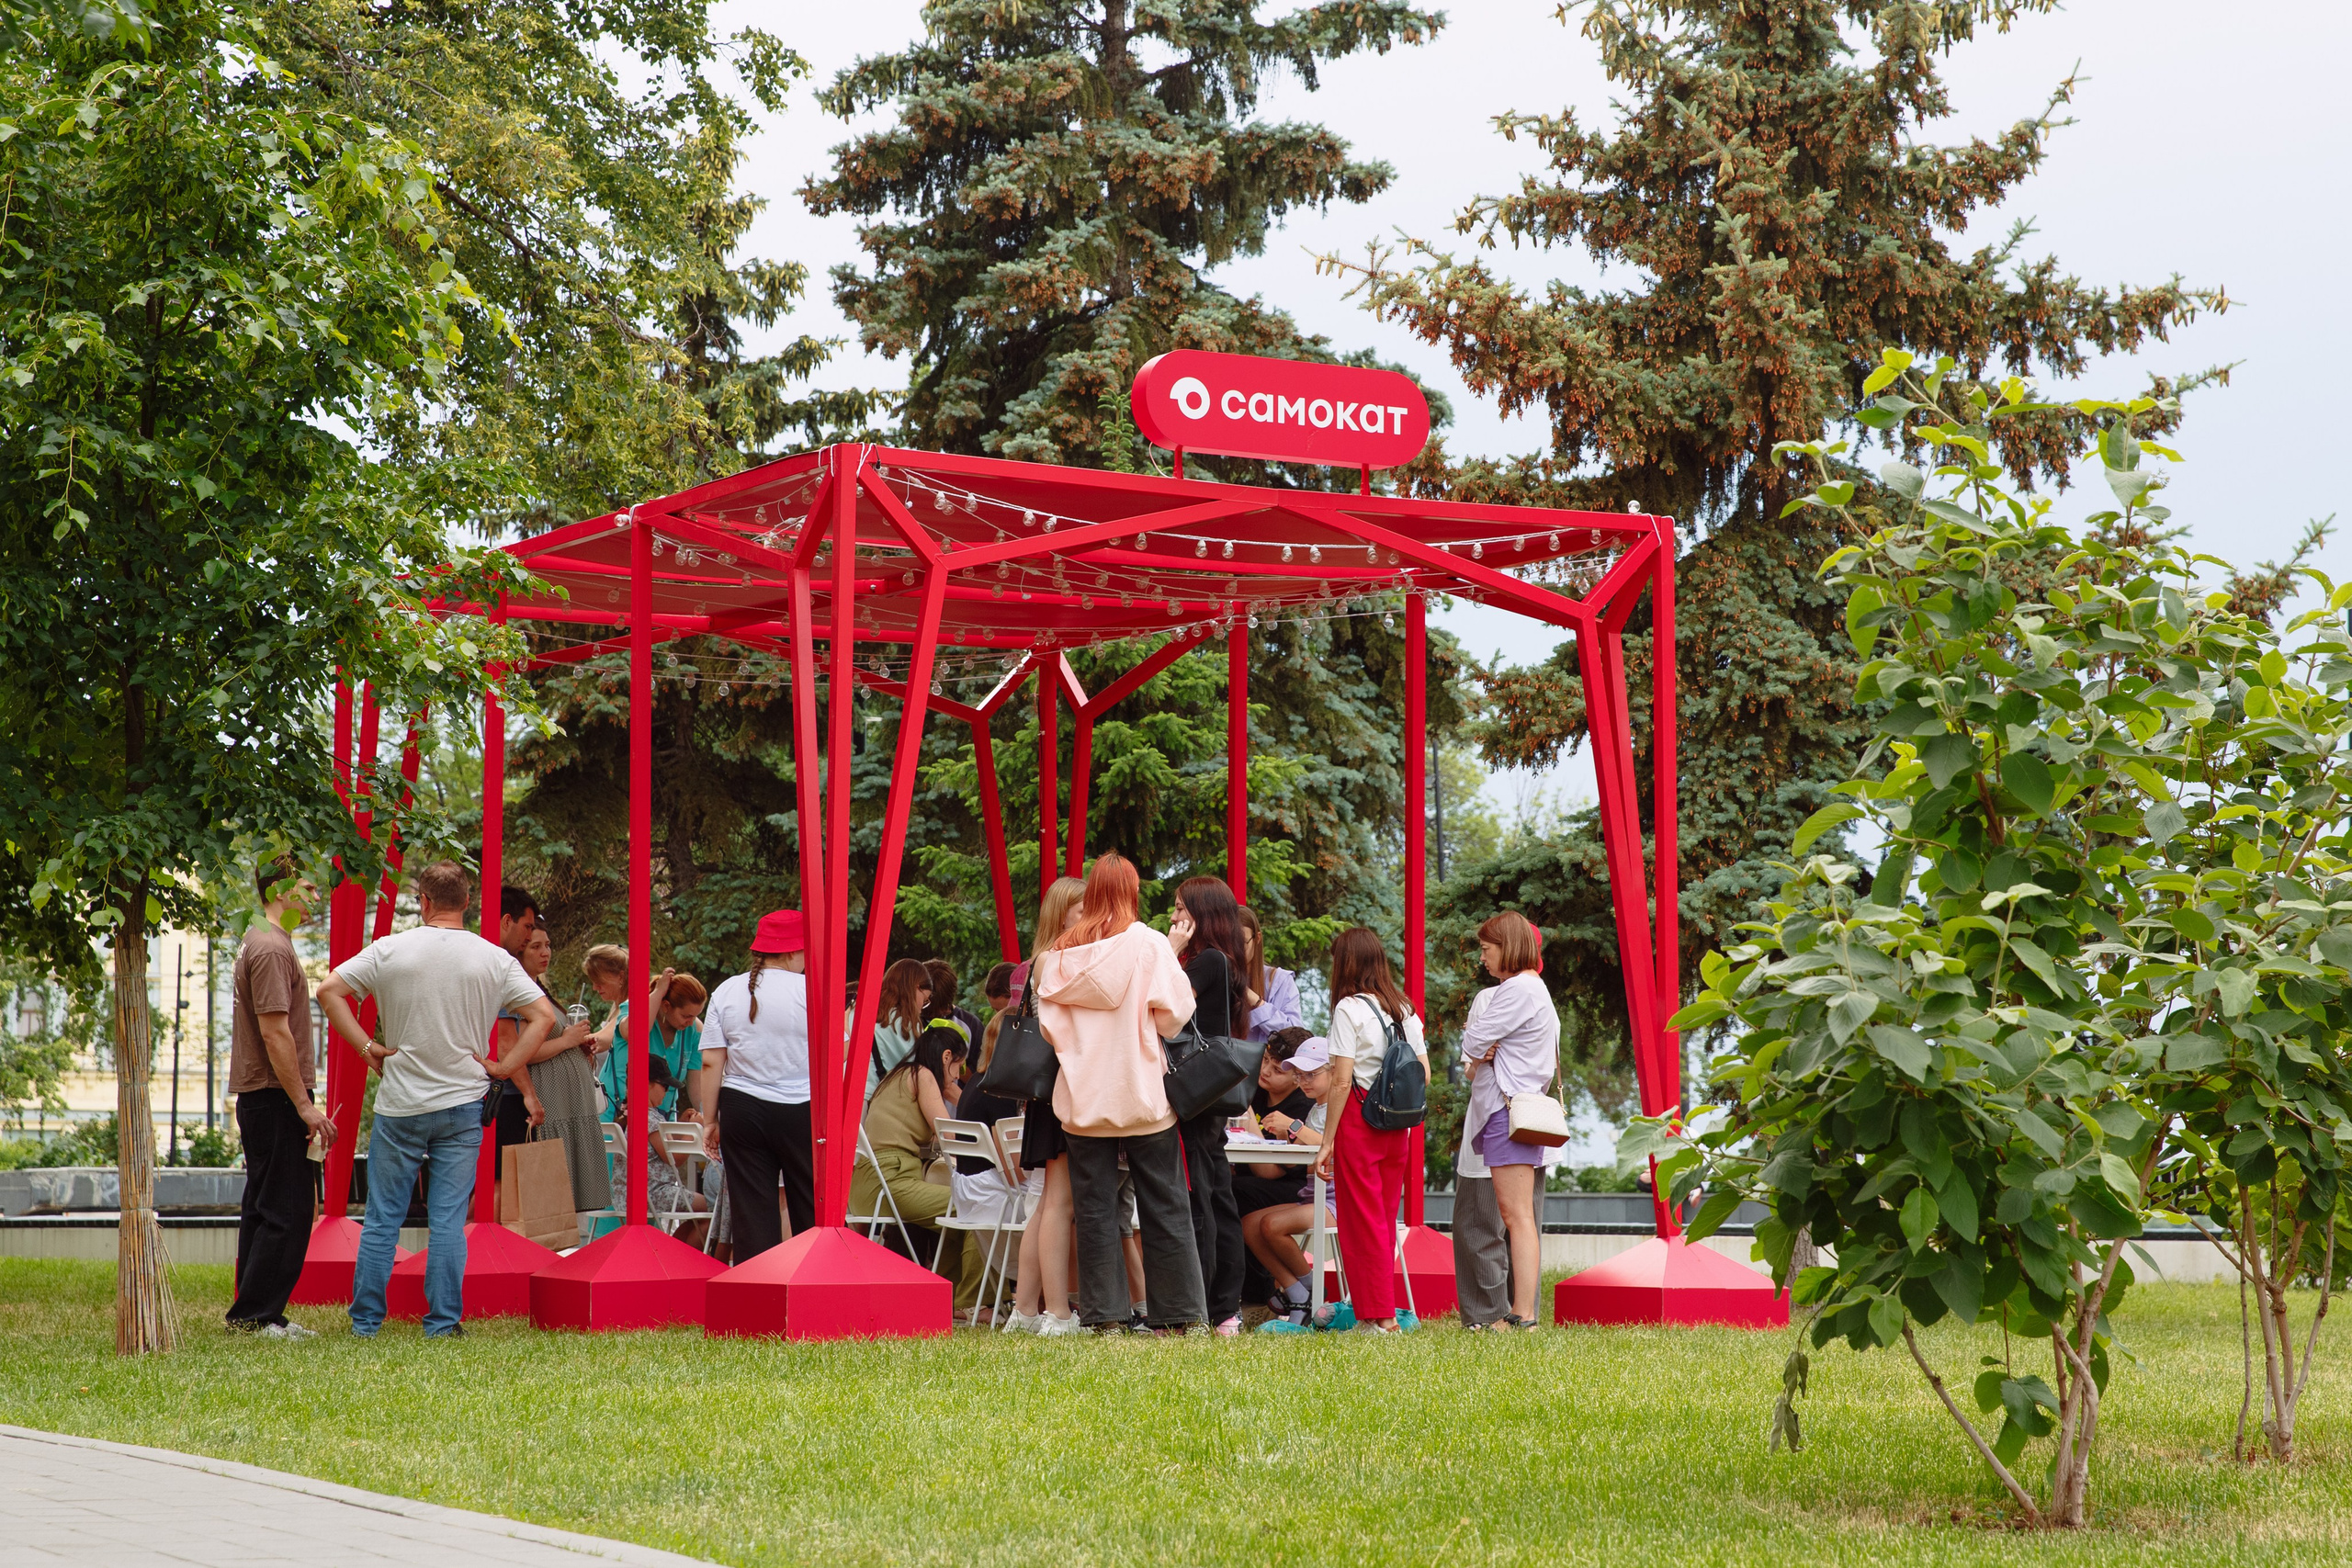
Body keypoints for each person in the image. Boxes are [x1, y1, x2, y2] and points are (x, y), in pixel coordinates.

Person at [317, 861, 559, 1338]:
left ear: (422, 902)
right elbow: (543, 1017)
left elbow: (329, 992)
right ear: (467, 902)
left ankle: (366, 1323)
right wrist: (505, 1068)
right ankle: (443, 1324)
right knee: (448, 1219)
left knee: (383, 1217)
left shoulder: (390, 950)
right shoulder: (493, 958)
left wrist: (368, 1048)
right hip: (464, 1103)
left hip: (401, 1101)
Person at [1034, 852, 1204, 1334]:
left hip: (1083, 1100)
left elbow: (1049, 1031)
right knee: (1165, 1203)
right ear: (1131, 891)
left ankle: (1105, 1316)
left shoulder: (1058, 957)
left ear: (1089, 893)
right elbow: (1175, 1016)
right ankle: (1178, 1315)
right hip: (1143, 1093)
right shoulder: (1150, 945)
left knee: (1094, 1210)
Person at [223, 856, 333, 1337]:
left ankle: (256, 1312)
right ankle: (258, 1315)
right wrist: (304, 1104)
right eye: (308, 888)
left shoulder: (259, 938)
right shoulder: (269, 947)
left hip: (265, 1093)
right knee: (286, 1208)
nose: (315, 898)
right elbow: (275, 1033)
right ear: (282, 889)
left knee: (265, 1204)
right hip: (274, 1092)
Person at [1312, 926, 1430, 1334]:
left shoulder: (1349, 1009)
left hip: (1359, 1123)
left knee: (1360, 1222)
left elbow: (1341, 1082)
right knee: (1382, 1218)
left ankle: (1378, 1317)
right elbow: (1424, 1074)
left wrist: (1326, 1142)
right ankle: (1380, 1314)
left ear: (1344, 963)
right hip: (1398, 1128)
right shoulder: (1405, 1009)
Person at [695, 909, 816, 1258]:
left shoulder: (727, 990)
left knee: (751, 1214)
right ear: (794, 951)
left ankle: (756, 1297)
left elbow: (710, 1061)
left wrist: (710, 1120)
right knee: (808, 1207)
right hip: (801, 1108)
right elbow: (835, 1051)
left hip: (742, 1107)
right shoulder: (811, 989)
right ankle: (812, 1288)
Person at [1456, 911, 1555, 1331]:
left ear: (1508, 946)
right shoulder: (1532, 988)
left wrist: (1483, 1041)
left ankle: (1522, 1315)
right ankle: (1523, 1314)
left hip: (1508, 1111)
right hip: (1518, 1111)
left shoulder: (1518, 988)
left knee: (1516, 1218)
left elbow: (1473, 1040)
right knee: (1519, 1217)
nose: (1483, 957)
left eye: (1487, 948)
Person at [1168, 874, 1250, 1335]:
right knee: (1218, 1193)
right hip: (1210, 1092)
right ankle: (1224, 1309)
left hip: (1196, 1091)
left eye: (1182, 908)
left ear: (1203, 913)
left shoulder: (1205, 962)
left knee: (1202, 1195)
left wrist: (1164, 949)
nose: (1175, 916)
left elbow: (1163, 1002)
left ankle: (1200, 1307)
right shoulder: (1224, 960)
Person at [1006, 874, 1086, 1334]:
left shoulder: (1040, 959)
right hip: (1063, 1087)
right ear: (1063, 912)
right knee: (1058, 1203)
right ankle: (1057, 1312)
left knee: (1045, 1203)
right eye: (1082, 908)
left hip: (1045, 1092)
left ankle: (1025, 1308)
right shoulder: (1062, 959)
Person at [496, 924, 610, 1219]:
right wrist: (566, 1041)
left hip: (568, 1102)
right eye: (535, 946)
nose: (545, 952)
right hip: (548, 1102)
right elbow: (518, 1051)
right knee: (545, 1200)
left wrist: (577, 1046)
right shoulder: (516, 992)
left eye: (547, 945)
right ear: (520, 951)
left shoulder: (538, 989)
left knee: (564, 1202)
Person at [945, 980, 1036, 1323]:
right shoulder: (1000, 1093)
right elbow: (1012, 1169)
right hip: (994, 1198)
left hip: (970, 1194)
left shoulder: (976, 1085)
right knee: (1062, 1207)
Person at [1239, 1034, 1339, 1328]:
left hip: (1336, 1200)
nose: (1304, 1081)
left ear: (1334, 1072)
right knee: (1250, 1224)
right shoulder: (1314, 1110)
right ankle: (1299, 1293)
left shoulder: (1337, 1108)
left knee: (1272, 1225)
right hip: (1313, 1194)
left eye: (1311, 1074)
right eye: (1299, 1074)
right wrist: (1284, 1138)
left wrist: (1292, 1126)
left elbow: (1331, 1147)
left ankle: (1310, 1290)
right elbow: (1297, 1162)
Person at [849, 1030, 955, 1260]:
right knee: (974, 1206)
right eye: (960, 1067)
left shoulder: (893, 1075)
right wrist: (960, 1097)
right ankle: (972, 1296)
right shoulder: (922, 1075)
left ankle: (942, 1287)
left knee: (935, 1218)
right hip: (890, 1181)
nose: (957, 1076)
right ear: (947, 1057)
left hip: (867, 1184)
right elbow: (948, 1134)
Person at [487, 886, 550, 1173]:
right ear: (506, 921)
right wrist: (529, 1094)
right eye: (527, 927)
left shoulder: (475, 956)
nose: (529, 936)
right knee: (501, 1182)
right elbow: (506, 1041)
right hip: (501, 1093)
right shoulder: (500, 965)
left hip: (473, 1089)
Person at [601, 967, 707, 1124]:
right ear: (665, 1006)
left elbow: (696, 1084)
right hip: (615, 1115)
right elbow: (634, 1033)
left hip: (660, 1121)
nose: (690, 1022)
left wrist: (707, 1117)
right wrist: (658, 992)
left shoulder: (693, 1030)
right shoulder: (633, 1008)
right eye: (686, 1016)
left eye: (695, 1016)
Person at [864, 958, 933, 1101]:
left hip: (842, 1090)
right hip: (872, 1099)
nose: (921, 1007)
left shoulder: (859, 1011)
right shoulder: (907, 1023)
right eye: (925, 999)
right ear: (916, 988)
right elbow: (919, 1070)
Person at [1238, 906, 1305, 1042]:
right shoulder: (1216, 977)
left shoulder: (1279, 981)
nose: (1236, 949)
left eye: (1242, 942)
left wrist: (1256, 1002)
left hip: (1266, 1062)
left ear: (1257, 938)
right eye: (1229, 942)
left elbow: (1296, 1038)